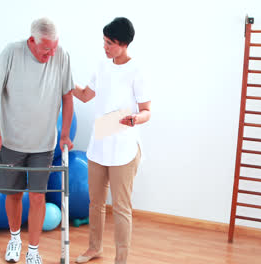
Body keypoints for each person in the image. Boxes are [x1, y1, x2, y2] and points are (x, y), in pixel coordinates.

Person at [0, 17, 74, 264]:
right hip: (12, 142)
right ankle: (15, 240)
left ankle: (33, 252)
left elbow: (67, 96)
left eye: (54, 48)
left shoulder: (61, 55)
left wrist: (64, 134)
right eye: (46, 49)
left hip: (44, 144)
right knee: (12, 195)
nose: (51, 54)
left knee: (37, 197)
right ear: (32, 41)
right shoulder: (11, 53)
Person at [72, 17, 151, 264]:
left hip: (124, 144)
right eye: (104, 42)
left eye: (109, 43)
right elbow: (85, 96)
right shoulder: (102, 66)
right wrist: (63, 79)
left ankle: (121, 259)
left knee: (121, 207)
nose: (104, 47)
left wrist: (135, 119)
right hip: (101, 139)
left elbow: (147, 111)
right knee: (95, 203)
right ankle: (94, 248)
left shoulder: (137, 71)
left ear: (123, 44)